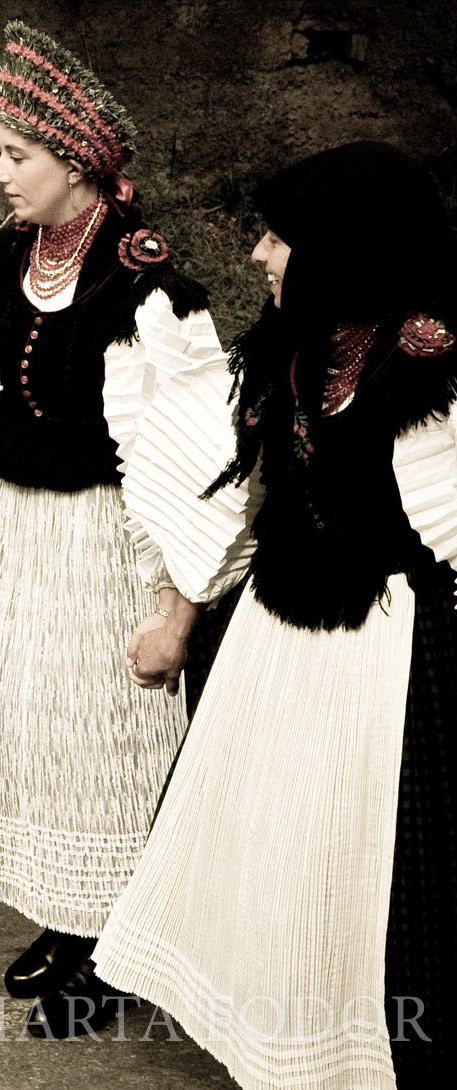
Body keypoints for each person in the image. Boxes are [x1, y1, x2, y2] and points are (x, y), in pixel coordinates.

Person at [0, 20, 251, 1036]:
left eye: (15, 156)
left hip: (101, 545)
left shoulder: (143, 289)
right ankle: (69, 917)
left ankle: (121, 934)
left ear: (75, 166)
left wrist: (174, 604)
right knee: (30, 725)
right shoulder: (2, 266)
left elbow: (182, 453)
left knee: (105, 733)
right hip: (13, 539)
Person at [94, 142, 457, 1089]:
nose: (257, 254)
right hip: (281, 633)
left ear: (345, 247)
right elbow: (239, 500)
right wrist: (178, 610)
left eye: (278, 237)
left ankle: (362, 1044)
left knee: (372, 864)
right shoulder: (290, 350)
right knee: (271, 841)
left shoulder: (434, 370)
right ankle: (274, 1027)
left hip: (394, 654)